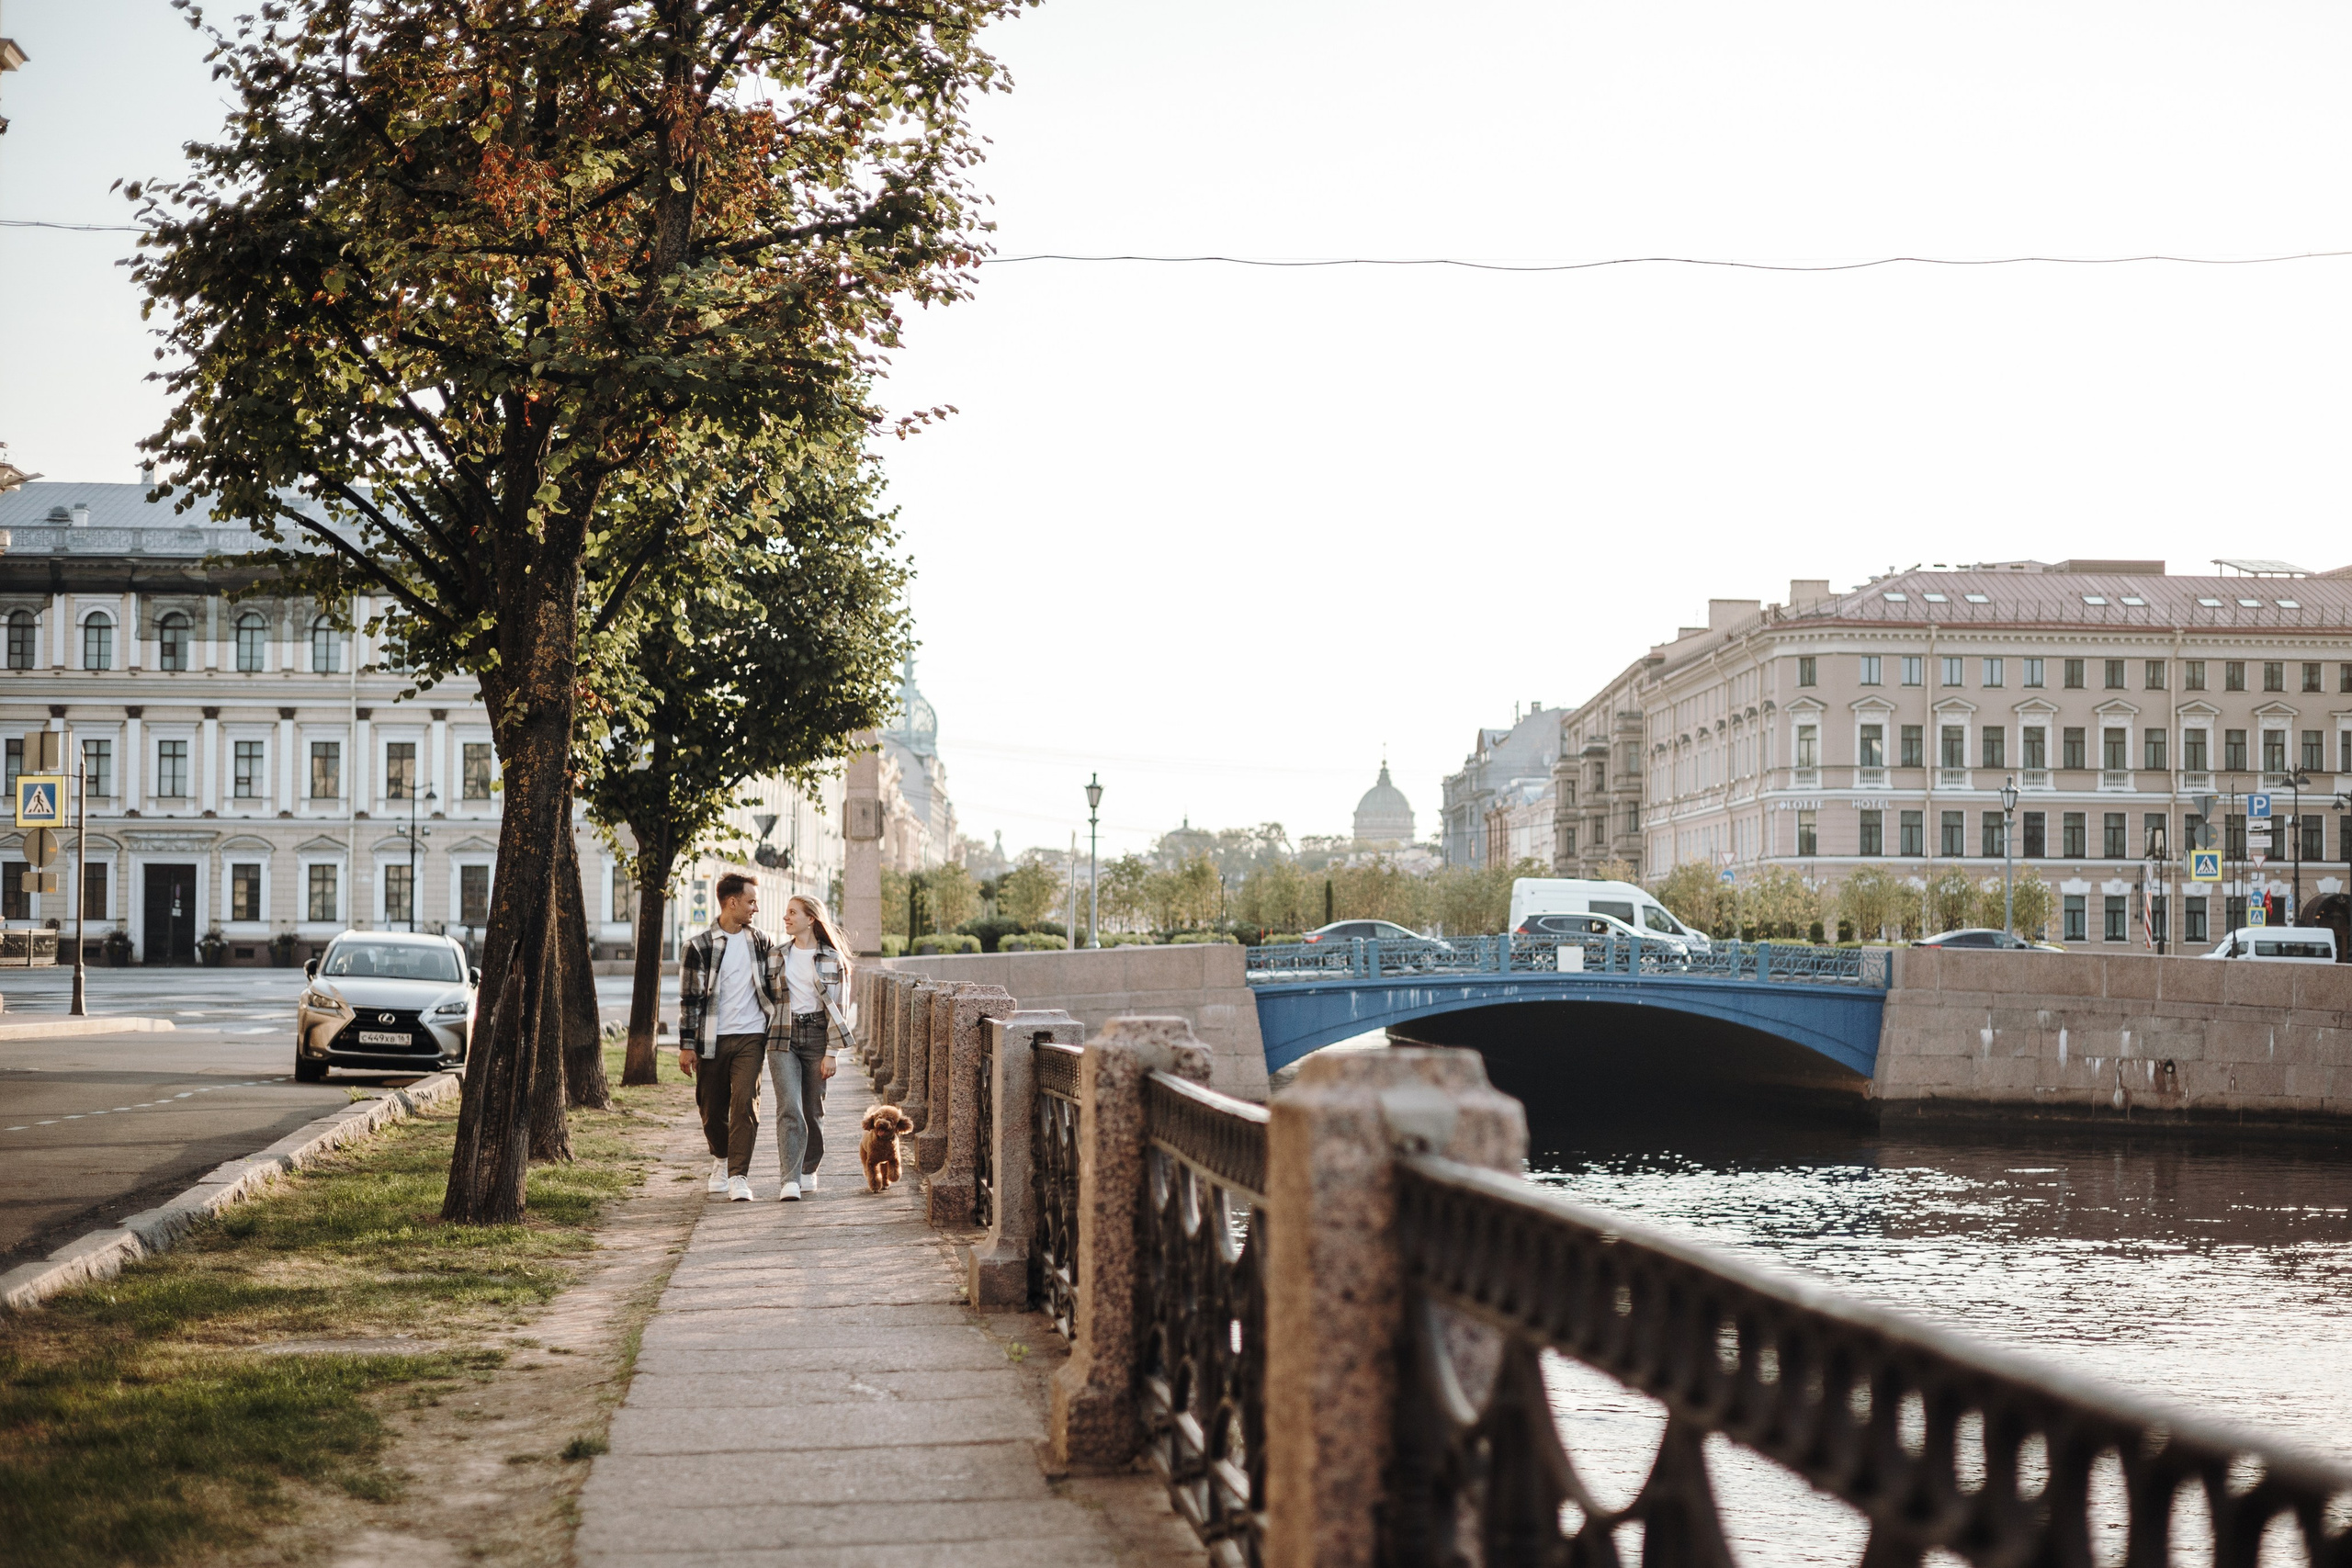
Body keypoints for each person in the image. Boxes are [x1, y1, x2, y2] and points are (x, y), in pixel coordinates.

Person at [676, 872, 788, 1201]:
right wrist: (686, 1046)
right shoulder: (697, 947)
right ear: (732, 902)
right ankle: (721, 1159)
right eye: (751, 901)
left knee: (744, 1104)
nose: (756, 907)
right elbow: (689, 1000)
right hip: (711, 1037)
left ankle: (739, 1175)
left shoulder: (761, 942)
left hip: (751, 1036)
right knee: (711, 1108)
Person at [769, 894, 850, 1201]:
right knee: (789, 1106)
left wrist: (832, 1052)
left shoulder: (832, 958)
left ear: (811, 919)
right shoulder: (776, 956)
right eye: (786, 912)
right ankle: (789, 1178)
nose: (786, 918)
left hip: (817, 1035)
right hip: (782, 1036)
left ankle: (808, 1169)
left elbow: (839, 1007)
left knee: (813, 1108)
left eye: (792, 913)